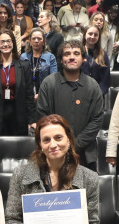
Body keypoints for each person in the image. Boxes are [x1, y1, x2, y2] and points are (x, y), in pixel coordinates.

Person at [36, 40, 104, 170]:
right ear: (61, 60)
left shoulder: (92, 85)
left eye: (76, 53)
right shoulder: (49, 84)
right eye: (67, 54)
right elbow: (42, 116)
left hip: (85, 155)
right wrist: (59, 144)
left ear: (83, 59)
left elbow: (97, 120)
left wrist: (74, 144)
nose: (72, 57)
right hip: (53, 153)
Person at [0, 30, 37, 136]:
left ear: (13, 43)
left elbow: (29, 95)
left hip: (19, 117)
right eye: (2, 41)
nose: (5, 44)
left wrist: (32, 120)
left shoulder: (24, 66)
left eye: (8, 41)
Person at [20, 28, 58, 99]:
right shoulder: (23, 57)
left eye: (39, 38)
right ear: (30, 41)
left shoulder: (50, 57)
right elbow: (20, 79)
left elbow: (53, 80)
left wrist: (40, 95)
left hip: (45, 95)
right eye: (34, 38)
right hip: (27, 96)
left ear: (44, 41)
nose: (36, 41)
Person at [82, 25, 110, 94]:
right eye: (90, 34)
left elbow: (106, 78)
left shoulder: (103, 54)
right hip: (80, 92)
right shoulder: (78, 52)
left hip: (98, 93)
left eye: (96, 35)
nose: (92, 37)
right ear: (85, 35)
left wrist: (99, 93)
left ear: (98, 37)